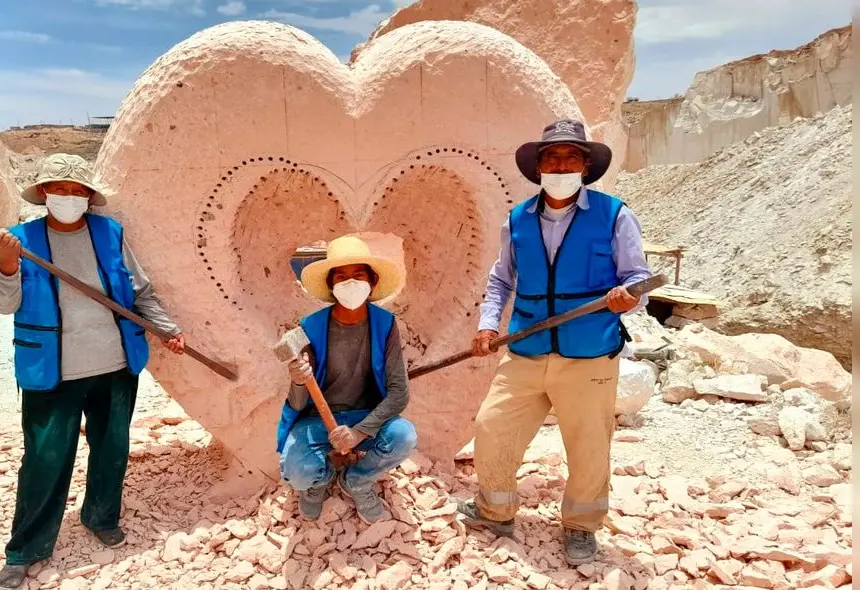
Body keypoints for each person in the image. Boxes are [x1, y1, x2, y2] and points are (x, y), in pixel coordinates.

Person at [453, 120, 652, 565]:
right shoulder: (517, 218)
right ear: (538, 166)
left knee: (588, 445)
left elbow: (638, 278)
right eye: (552, 158)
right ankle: (495, 511)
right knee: (492, 427)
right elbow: (501, 279)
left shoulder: (615, 214)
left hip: (589, 352)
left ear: (585, 165)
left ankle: (581, 526)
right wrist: (488, 325)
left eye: (570, 157)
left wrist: (627, 300)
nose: (560, 165)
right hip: (526, 348)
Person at [0, 153, 185, 588]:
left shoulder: (109, 233)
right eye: (60, 190)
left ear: (89, 198)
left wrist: (166, 328)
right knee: (43, 458)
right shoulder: (19, 241)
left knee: (111, 448)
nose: (69, 197)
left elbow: (140, 291)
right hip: (51, 371)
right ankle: (26, 548)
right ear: (43, 194)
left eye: (78, 191)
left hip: (114, 365)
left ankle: (100, 516)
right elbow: (2, 304)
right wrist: (5, 264)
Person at [277, 235, 418, 524]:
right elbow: (300, 400)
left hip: (365, 415)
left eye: (357, 275)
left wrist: (359, 433)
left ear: (372, 281)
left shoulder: (385, 324)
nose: (350, 283)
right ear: (331, 286)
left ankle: (357, 480)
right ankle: (321, 480)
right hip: (317, 418)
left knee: (404, 436)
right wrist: (298, 380)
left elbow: (399, 393)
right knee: (297, 472)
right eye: (341, 277)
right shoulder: (311, 327)